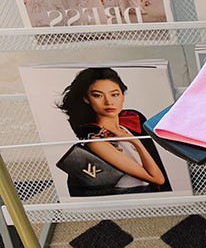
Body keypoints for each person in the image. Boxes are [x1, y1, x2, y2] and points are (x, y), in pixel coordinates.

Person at [57, 67, 172, 196]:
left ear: (122, 96)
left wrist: (130, 138)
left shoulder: (129, 126)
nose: (109, 102)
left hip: (146, 194)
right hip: (128, 196)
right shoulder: (97, 142)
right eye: (98, 95)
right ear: (87, 99)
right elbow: (157, 179)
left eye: (114, 94)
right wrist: (134, 141)